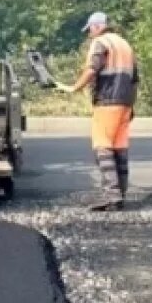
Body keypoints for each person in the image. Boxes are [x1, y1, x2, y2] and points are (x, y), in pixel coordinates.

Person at [57, 12, 138, 211]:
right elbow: (135, 79)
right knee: (120, 148)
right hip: (125, 103)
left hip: (107, 101)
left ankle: (112, 195)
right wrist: (131, 105)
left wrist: (74, 88)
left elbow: (92, 69)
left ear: (96, 26)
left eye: (89, 30)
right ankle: (121, 193)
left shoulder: (101, 43)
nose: (89, 35)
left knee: (103, 147)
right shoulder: (125, 45)